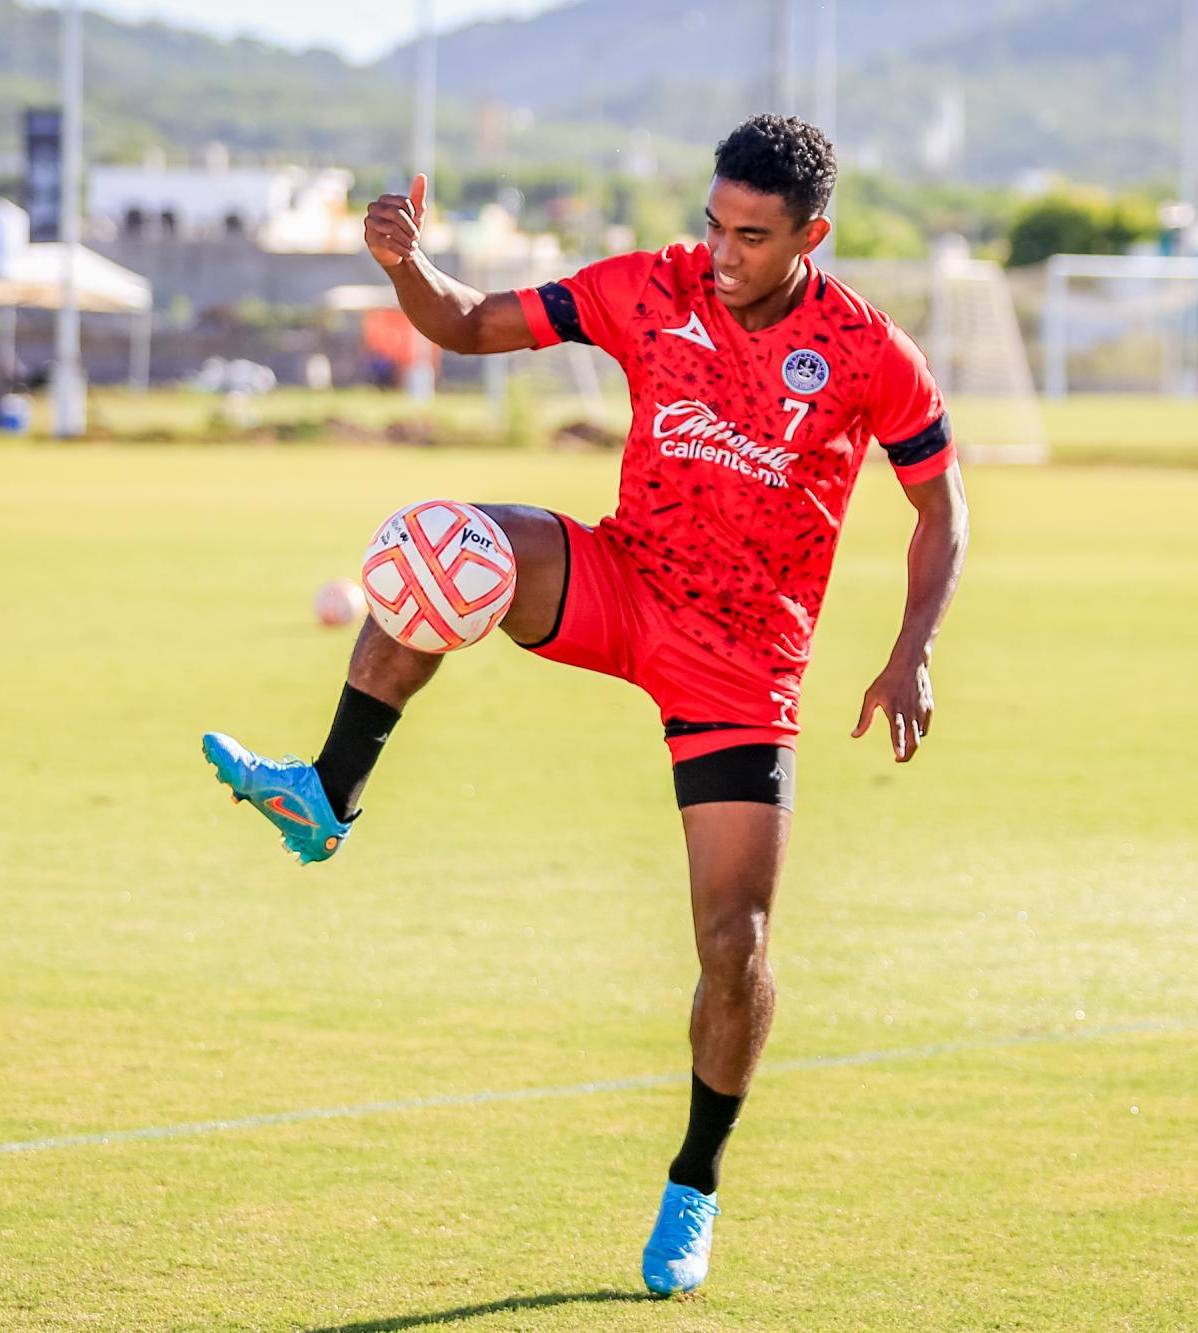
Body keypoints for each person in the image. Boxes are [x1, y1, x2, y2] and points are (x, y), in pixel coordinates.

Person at [201, 116, 968, 1297]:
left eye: (752, 238)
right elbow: (465, 326)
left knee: (734, 944)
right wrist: (404, 263)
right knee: (446, 542)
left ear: (812, 235)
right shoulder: (647, 287)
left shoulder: (866, 352)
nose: (721, 251)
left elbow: (939, 506)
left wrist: (909, 649)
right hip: (620, 580)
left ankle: (694, 1184)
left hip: (739, 661)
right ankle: (327, 792)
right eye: (715, 224)